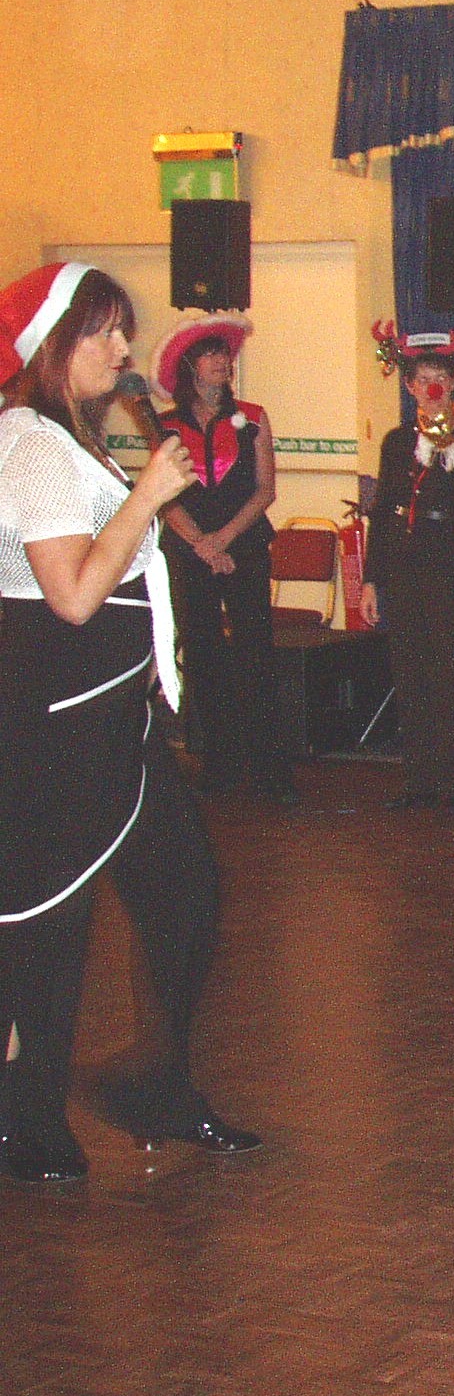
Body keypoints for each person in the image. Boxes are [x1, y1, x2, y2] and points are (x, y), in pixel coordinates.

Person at [0, 263, 259, 1184]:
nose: (123, 349)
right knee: (49, 923)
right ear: (51, 346)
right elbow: (72, 595)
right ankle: (26, 1121)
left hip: (118, 721)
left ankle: (154, 1083)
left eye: (122, 331)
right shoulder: (31, 446)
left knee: (185, 892)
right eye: (103, 332)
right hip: (57, 726)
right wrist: (148, 497)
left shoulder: (74, 442)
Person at [156, 317, 295, 805]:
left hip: (245, 546)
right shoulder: (165, 424)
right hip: (189, 550)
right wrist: (202, 544)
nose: (222, 361)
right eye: (211, 354)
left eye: (225, 354)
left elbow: (265, 489)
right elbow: (164, 497)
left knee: (255, 653)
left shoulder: (253, 418)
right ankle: (218, 766)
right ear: (190, 366)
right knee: (202, 654)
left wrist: (225, 541)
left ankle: (269, 771)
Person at [363, 332, 454, 813]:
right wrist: (371, 580)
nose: (432, 387)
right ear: (409, 386)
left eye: (440, 377)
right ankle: (419, 781)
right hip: (405, 576)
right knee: (413, 679)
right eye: (422, 379)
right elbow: (383, 514)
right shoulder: (397, 442)